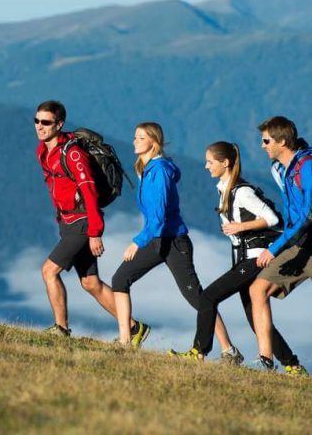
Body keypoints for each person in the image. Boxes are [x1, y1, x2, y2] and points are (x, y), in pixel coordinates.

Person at [169, 141, 305, 371]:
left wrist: (239, 228)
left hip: (256, 257)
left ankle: (199, 352)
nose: (205, 166)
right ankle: (292, 365)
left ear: (225, 163)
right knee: (255, 316)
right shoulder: (224, 188)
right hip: (245, 258)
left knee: (209, 297)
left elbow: (272, 219)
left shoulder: (242, 192)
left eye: (210, 162)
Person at [112, 123, 237, 357]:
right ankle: (125, 341)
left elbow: (158, 217)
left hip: (173, 242)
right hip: (158, 239)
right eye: (134, 136)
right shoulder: (147, 168)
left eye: (141, 137)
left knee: (197, 297)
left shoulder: (158, 171)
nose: (134, 141)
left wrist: (137, 242)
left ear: (154, 141)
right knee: (120, 278)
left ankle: (229, 350)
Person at [35, 100, 149, 343]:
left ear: (59, 124)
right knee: (90, 283)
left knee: (49, 271)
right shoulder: (43, 151)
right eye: (36, 121)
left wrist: (95, 232)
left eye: (46, 122)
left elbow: (89, 192)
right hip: (68, 222)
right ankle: (134, 328)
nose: (39, 126)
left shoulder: (73, 154)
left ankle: (61, 329)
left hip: (83, 223)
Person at [249, 116, 312, 374]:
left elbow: (309, 215)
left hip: (304, 243)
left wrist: (275, 248)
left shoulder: (306, 167)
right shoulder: (284, 169)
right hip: (300, 245)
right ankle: (266, 360)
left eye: (266, 141)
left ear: (282, 141)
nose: (263, 145)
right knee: (258, 290)